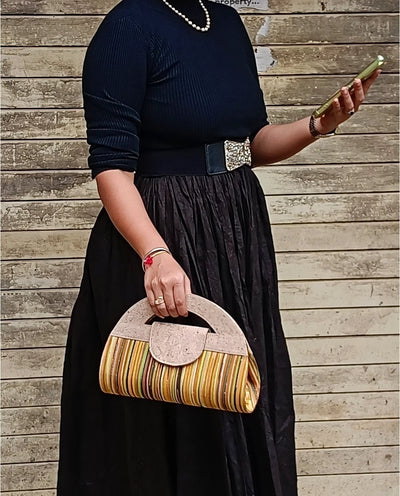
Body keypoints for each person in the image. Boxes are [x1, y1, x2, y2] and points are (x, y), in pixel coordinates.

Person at [56, 0, 381, 494]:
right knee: (175, 408)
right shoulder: (128, 25)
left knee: (234, 390)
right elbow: (112, 169)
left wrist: (318, 125)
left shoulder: (226, 22)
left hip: (235, 235)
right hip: (163, 233)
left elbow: (251, 145)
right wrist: (156, 255)